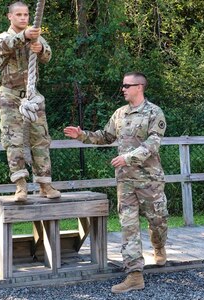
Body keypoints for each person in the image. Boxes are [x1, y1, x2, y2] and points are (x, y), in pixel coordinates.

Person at [64, 72, 168, 293]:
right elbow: (105, 136)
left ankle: (159, 246)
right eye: (123, 85)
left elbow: (153, 143)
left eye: (126, 85)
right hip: (125, 182)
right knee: (128, 226)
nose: (123, 89)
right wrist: (82, 135)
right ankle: (134, 275)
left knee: (158, 221)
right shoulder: (120, 114)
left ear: (139, 87)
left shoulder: (154, 112)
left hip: (150, 180)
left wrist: (128, 157)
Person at [0, 1, 60, 201]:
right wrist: (25, 36)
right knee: (14, 142)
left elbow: (47, 56)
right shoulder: (2, 38)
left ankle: (45, 185)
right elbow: (6, 45)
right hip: (10, 97)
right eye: (19, 15)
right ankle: (20, 186)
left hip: (31, 96)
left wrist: (40, 49)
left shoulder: (36, 36)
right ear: (10, 17)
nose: (23, 18)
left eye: (26, 15)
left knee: (41, 139)